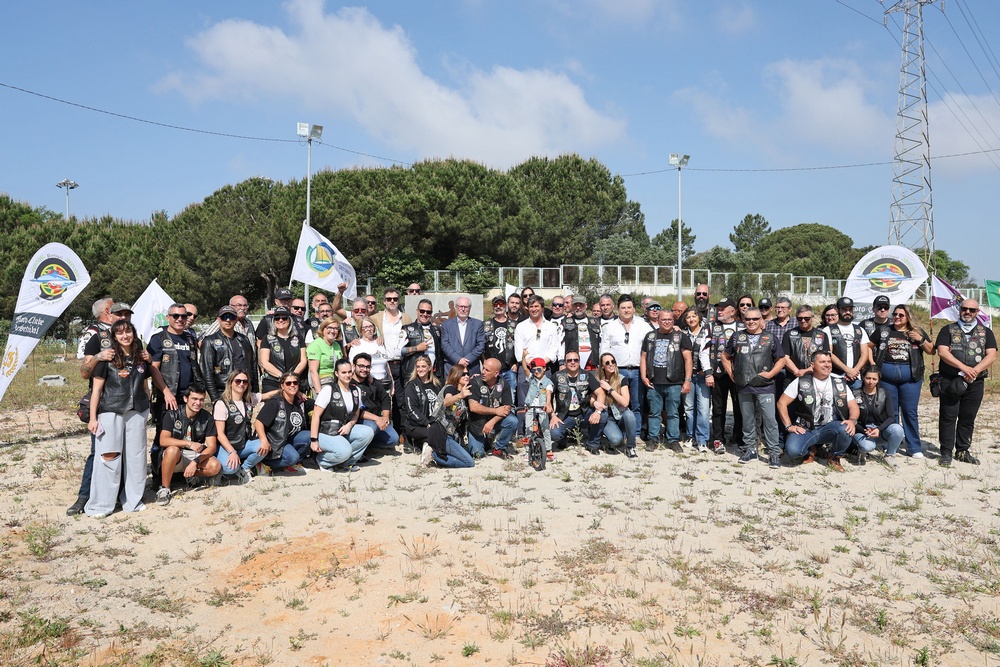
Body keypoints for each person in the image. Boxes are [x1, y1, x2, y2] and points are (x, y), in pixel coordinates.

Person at [85, 320, 151, 517]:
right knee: (108, 457)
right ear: (114, 337)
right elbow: (96, 390)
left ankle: (133, 500)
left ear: (134, 333)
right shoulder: (107, 358)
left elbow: (145, 385)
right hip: (110, 410)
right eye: (120, 333)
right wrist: (93, 418)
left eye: (128, 331)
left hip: (136, 411)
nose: (125, 336)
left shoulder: (141, 358)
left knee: (136, 457)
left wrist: (146, 406)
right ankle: (101, 505)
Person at [936, 299, 997, 467]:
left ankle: (962, 450)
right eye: (965, 309)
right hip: (951, 379)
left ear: (977, 312)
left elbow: (991, 355)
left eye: (972, 309)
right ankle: (946, 452)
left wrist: (974, 371)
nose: (968, 312)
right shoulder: (947, 330)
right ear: (960, 310)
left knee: (968, 417)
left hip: (975, 382)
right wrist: (964, 368)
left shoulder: (986, 332)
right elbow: (942, 352)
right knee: (948, 417)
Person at [722, 308, 784, 466]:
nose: (751, 322)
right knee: (747, 420)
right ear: (743, 320)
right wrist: (731, 374)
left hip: (765, 386)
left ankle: (774, 453)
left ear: (760, 320)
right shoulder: (737, 337)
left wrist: (771, 374)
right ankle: (750, 450)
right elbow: (725, 356)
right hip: (744, 385)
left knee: (770, 420)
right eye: (748, 319)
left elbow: (781, 360)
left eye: (755, 319)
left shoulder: (770, 337)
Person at [777, 351, 859, 472]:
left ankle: (834, 457)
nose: (827, 365)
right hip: (806, 428)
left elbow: (853, 406)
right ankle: (810, 451)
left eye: (829, 362)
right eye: (822, 362)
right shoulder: (800, 382)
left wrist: (852, 420)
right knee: (793, 451)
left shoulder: (839, 383)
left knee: (846, 428)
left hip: (830, 427)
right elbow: (781, 403)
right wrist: (789, 426)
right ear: (812, 365)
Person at [147, 303, 200, 478]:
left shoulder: (190, 338)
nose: (180, 319)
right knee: (162, 436)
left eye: (183, 316)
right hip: (167, 398)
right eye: (175, 316)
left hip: (187, 397)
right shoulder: (158, 339)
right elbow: (154, 369)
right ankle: (157, 476)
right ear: (168, 317)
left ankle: (176, 473)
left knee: (184, 433)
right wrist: (166, 391)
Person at [877, 304, 933, 457]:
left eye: (901, 315)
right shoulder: (885, 331)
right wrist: (874, 365)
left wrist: (921, 340)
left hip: (911, 379)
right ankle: (891, 444)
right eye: (895, 314)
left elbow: (931, 350)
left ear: (908, 317)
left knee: (910, 412)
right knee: (891, 412)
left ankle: (914, 447)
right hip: (887, 379)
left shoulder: (917, 332)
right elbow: (868, 346)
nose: (897, 317)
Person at [156, 384, 221, 506]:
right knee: (172, 450)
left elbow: (212, 447)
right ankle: (164, 488)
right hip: (176, 456)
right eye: (194, 399)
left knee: (215, 466)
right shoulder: (172, 414)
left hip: (194, 456)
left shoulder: (207, 418)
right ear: (186, 399)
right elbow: (163, 440)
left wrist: (195, 461)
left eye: (201, 399)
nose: (198, 403)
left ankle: (190, 476)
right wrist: (189, 443)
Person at [309, 359, 374, 472]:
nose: (347, 375)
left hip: (344, 428)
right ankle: (323, 461)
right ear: (336, 373)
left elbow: (356, 413)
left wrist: (349, 425)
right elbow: (315, 416)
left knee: (367, 432)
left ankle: (347, 463)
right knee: (344, 451)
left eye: (349, 372)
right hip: (326, 432)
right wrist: (314, 440)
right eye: (343, 372)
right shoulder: (328, 389)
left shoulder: (356, 390)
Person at [600, 294, 653, 433]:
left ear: (634, 309)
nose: (626, 310)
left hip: (637, 370)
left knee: (637, 403)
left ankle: (635, 434)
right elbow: (604, 351)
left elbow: (652, 346)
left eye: (629, 307)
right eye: (623, 308)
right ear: (618, 309)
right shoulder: (610, 327)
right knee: (618, 403)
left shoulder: (644, 326)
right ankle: (621, 432)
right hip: (618, 371)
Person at [640, 310, 692, 451]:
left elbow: (688, 359)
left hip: (674, 382)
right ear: (658, 320)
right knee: (654, 413)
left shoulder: (681, 337)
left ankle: (673, 439)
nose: (667, 322)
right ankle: (653, 438)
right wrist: (644, 376)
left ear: (673, 321)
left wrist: (687, 380)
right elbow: (643, 357)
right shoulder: (650, 336)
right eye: (664, 319)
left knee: (673, 413)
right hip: (654, 382)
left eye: (670, 319)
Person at [212, 370, 271, 482]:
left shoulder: (249, 399)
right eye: (238, 381)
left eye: (245, 381)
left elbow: (266, 395)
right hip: (225, 446)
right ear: (230, 383)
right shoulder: (222, 403)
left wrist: (284, 390)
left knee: (264, 446)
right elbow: (219, 434)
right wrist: (231, 452)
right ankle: (218, 472)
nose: (241, 384)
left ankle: (245, 468)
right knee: (230, 468)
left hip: (243, 444)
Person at [252, 371, 312, 474]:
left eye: (295, 383)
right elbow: (258, 422)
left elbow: (319, 405)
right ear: (282, 386)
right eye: (288, 383)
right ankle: (265, 463)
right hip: (275, 441)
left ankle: (289, 464)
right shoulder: (275, 402)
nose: (292, 385)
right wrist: (264, 441)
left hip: (289, 438)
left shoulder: (300, 402)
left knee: (311, 435)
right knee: (292, 457)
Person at [371, 287, 411, 429]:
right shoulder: (376, 318)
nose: (392, 301)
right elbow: (362, 327)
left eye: (395, 299)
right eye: (389, 299)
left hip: (401, 363)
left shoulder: (405, 318)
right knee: (381, 399)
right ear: (384, 301)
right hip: (383, 364)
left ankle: (400, 432)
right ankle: (381, 431)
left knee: (400, 400)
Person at [201, 305, 259, 403]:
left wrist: (255, 391)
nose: (228, 320)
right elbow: (206, 371)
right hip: (223, 391)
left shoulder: (244, 339)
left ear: (236, 320)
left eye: (231, 317)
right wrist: (214, 397)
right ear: (219, 320)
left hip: (244, 389)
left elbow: (253, 365)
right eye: (224, 317)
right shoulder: (209, 341)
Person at [707, 298, 742, 453]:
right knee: (718, 409)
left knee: (739, 408)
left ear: (733, 311)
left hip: (739, 374)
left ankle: (739, 437)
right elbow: (704, 350)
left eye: (723, 308)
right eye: (718, 308)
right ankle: (718, 439)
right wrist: (708, 371)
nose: (719, 311)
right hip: (718, 374)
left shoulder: (742, 326)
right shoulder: (711, 327)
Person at [402, 355, 450, 465]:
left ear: (429, 368)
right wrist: (427, 423)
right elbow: (412, 410)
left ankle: (427, 445)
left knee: (446, 434)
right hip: (416, 425)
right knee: (436, 435)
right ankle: (434, 456)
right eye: (418, 367)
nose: (420, 369)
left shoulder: (438, 384)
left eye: (423, 366)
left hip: (436, 422)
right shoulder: (411, 386)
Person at [852, 366, 904, 465]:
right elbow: (851, 419)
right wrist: (863, 430)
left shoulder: (885, 393)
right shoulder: (855, 394)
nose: (871, 382)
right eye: (868, 378)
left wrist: (879, 429)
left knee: (898, 429)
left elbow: (891, 417)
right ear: (863, 377)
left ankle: (890, 455)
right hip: (861, 430)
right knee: (868, 447)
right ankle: (861, 451)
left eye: (874, 379)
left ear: (878, 379)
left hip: (879, 431)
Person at [467, 358, 518, 458]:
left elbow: (507, 408)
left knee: (513, 421)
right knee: (477, 454)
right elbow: (473, 407)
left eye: (487, 370)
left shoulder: (504, 384)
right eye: (483, 369)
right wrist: (495, 410)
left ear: (496, 373)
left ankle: (499, 448)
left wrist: (492, 422)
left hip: (495, 421)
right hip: (477, 422)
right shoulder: (475, 382)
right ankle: (486, 440)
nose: (483, 372)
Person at [550, 352, 601, 450]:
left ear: (579, 362)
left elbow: (600, 393)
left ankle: (592, 444)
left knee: (603, 414)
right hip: (564, 415)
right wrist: (553, 415)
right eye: (569, 360)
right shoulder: (557, 376)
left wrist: (597, 411)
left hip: (584, 413)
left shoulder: (587, 375)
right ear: (565, 363)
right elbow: (547, 396)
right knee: (554, 434)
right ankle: (563, 438)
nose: (573, 362)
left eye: (575, 360)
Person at [513, 296, 561, 402]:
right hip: (526, 369)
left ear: (542, 308)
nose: (534, 309)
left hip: (545, 369)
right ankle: (524, 419)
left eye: (536, 306)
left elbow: (554, 348)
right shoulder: (521, 327)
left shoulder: (551, 327)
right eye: (531, 306)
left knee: (544, 402)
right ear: (527, 308)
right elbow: (518, 351)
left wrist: (541, 363)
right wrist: (532, 363)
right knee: (525, 403)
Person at [590, 353, 637, 457]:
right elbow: (591, 400)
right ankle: (607, 441)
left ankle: (631, 447)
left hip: (621, 415)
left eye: (613, 361)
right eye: (607, 363)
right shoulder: (597, 380)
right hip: (608, 418)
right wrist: (595, 402)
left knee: (630, 415)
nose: (611, 364)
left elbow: (625, 402)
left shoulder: (621, 379)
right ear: (602, 366)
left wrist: (610, 389)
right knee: (616, 440)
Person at [352, 352, 399, 450]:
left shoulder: (372, 382)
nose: (364, 369)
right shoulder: (349, 384)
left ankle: (367, 445)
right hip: (357, 420)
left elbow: (385, 398)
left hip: (375, 418)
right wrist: (377, 419)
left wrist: (385, 417)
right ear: (353, 366)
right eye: (361, 366)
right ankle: (355, 448)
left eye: (367, 367)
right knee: (372, 426)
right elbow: (355, 410)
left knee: (393, 439)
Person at [433, 364, 477, 468]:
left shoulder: (463, 393)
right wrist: (460, 395)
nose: (466, 376)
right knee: (469, 462)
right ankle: (434, 455)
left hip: (452, 435)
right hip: (441, 433)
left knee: (468, 457)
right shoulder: (451, 389)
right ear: (456, 375)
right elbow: (447, 401)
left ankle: (439, 453)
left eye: (468, 374)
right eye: (463, 374)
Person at [824, 297, 871, 390]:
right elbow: (829, 353)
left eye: (850, 309)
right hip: (835, 376)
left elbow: (865, 353)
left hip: (855, 378)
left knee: (857, 404)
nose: (848, 312)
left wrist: (854, 371)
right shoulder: (828, 330)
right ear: (838, 310)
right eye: (844, 309)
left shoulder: (860, 330)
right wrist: (847, 370)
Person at [681, 308, 712, 452]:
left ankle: (702, 439)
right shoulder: (682, 334)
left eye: (694, 316)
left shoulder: (707, 332)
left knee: (704, 408)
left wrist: (707, 372)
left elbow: (706, 354)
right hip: (688, 376)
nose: (691, 319)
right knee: (689, 408)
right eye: (688, 317)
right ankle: (690, 436)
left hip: (702, 375)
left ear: (699, 317)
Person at [258, 306, 307, 393]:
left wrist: (292, 377)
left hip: (293, 382)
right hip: (273, 382)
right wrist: (283, 377)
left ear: (290, 320)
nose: (280, 320)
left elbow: (303, 360)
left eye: (284, 317)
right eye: (277, 318)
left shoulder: (298, 338)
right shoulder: (267, 338)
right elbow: (264, 362)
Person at [483, 295, 518, 396]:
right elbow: (481, 346)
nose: (498, 306)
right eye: (495, 304)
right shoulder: (486, 325)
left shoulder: (514, 325)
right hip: (492, 370)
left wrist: (517, 363)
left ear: (506, 306)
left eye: (501, 304)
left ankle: (510, 412)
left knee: (510, 397)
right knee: (492, 397)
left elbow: (519, 346)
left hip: (509, 369)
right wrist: (484, 361)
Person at [401, 298, 444, 382]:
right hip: (414, 375)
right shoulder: (407, 329)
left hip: (434, 375)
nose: (425, 314)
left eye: (428, 312)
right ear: (417, 311)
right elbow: (399, 351)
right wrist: (417, 348)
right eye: (422, 311)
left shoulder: (437, 330)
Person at [441, 296, 485, 375]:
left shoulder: (478, 324)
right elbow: (444, 344)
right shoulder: (446, 325)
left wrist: (468, 359)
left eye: (466, 307)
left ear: (470, 308)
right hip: (452, 367)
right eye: (461, 306)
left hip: (471, 368)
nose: (463, 309)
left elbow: (481, 345)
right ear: (456, 307)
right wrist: (458, 359)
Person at [522, 357, 554, 458]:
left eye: (539, 369)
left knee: (545, 429)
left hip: (542, 407)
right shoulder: (532, 379)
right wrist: (523, 357)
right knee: (528, 428)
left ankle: (548, 449)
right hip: (530, 407)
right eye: (534, 370)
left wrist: (548, 405)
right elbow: (525, 369)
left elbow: (548, 394)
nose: (536, 372)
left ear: (544, 369)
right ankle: (528, 451)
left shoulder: (548, 382)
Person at [350, 318, 392, 391]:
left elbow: (386, 364)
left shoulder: (380, 343)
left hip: (385, 384)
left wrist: (392, 383)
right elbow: (352, 367)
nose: (369, 329)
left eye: (370, 326)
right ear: (361, 329)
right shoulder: (356, 345)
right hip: (367, 384)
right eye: (365, 327)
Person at [562, 295, 602, 371]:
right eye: (575, 305)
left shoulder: (595, 323)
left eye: (581, 305)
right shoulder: (565, 322)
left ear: (586, 305)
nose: (578, 307)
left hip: (592, 365)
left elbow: (602, 344)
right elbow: (561, 344)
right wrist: (561, 362)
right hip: (572, 364)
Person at [307, 317, 343, 392]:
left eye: (336, 328)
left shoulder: (337, 345)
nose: (332, 331)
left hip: (336, 383)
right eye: (329, 328)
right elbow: (313, 371)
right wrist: (319, 392)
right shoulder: (315, 345)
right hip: (322, 384)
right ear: (323, 329)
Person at [862, 295, 893, 364]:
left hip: (888, 363)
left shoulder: (894, 324)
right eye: (879, 307)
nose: (883, 310)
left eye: (886, 307)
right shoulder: (864, 324)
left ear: (889, 309)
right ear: (873, 309)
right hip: (868, 364)